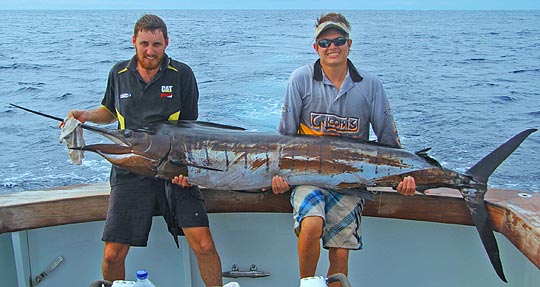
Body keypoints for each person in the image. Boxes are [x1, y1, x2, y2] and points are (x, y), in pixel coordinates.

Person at [65, 14, 231, 287]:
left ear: (166, 43)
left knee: (203, 245)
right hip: (130, 171)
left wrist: (186, 171)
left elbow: (191, 128)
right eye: (144, 44)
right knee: (112, 255)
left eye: (156, 44)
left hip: (174, 170)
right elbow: (109, 111)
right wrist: (84, 115)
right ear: (134, 42)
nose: (150, 51)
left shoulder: (183, 74)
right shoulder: (118, 73)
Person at [271, 12, 417, 286]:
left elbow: (388, 140)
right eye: (325, 43)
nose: (332, 47)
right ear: (316, 48)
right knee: (311, 224)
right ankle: (308, 284)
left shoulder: (370, 85)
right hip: (308, 177)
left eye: (338, 40)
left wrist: (404, 176)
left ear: (349, 44)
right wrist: (278, 177)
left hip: (350, 180)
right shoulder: (300, 80)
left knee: (340, 248)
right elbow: (284, 140)